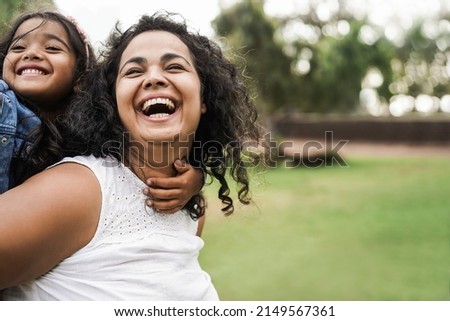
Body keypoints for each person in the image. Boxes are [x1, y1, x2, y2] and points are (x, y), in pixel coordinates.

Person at [0, 11, 262, 300]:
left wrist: (195, 181)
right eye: (134, 71)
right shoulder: (80, 191)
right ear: (112, 101)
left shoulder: (188, 209)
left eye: (174, 67)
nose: (153, 78)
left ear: (204, 98)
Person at [0, 11, 203, 213]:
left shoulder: (88, 133)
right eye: (18, 47)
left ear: (82, 76)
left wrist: (194, 180)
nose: (31, 53)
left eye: (52, 48)